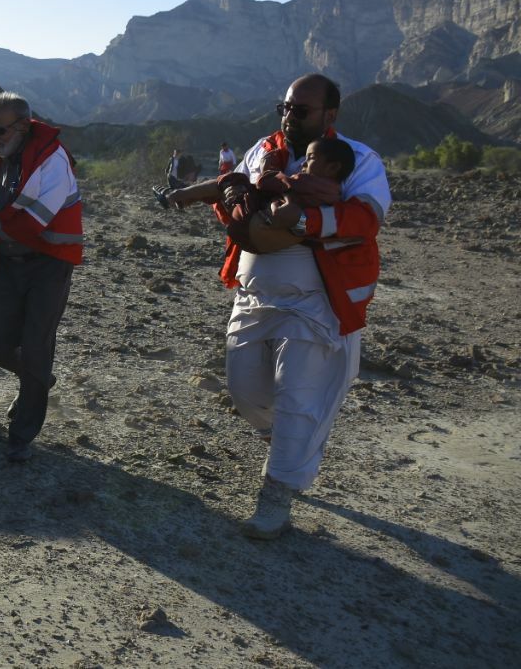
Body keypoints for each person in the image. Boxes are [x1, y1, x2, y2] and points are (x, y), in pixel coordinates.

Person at [166, 74, 390, 539]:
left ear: (330, 115)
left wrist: (304, 219)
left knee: (297, 398)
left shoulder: (357, 160)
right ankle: (287, 443)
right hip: (255, 294)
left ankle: (276, 494)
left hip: (316, 303)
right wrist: (229, 203)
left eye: (300, 110)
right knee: (245, 391)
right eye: (284, 108)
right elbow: (235, 209)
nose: (289, 117)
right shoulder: (260, 151)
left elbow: (367, 219)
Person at [0, 92, 83, 463]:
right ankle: (37, 380)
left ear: (23, 126)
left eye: (0, 129)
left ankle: (21, 436)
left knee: (37, 345)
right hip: (10, 262)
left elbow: (31, 224)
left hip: (49, 264)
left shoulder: (53, 160)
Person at [221, 136, 355, 254]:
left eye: (311, 158)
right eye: (285, 108)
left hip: (258, 233)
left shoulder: (303, 181)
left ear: (333, 168)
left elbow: (270, 183)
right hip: (283, 237)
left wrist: (268, 168)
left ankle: (200, 192)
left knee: (229, 181)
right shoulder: (336, 193)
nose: (304, 163)